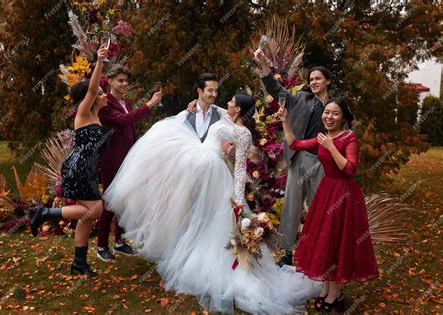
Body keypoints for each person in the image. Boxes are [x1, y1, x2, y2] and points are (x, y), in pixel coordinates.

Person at [103, 92, 319, 313]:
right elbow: (210, 106)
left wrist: (237, 201)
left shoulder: (243, 133)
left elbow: (240, 168)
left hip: (214, 175)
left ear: (238, 109)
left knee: (215, 221)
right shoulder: (225, 116)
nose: (227, 102)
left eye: (232, 102)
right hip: (197, 163)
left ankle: (221, 269)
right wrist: (194, 103)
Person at [278, 99, 379, 312]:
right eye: (326, 112)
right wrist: (285, 122)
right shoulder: (324, 137)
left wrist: (331, 147)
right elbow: (295, 144)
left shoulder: (349, 138)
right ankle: (326, 286)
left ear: (343, 118)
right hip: (327, 191)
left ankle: (336, 292)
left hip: (343, 193)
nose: (329, 117)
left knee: (335, 239)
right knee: (323, 238)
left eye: (335, 113)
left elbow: (349, 169)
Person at [30, 46, 110, 277]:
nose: (104, 96)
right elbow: (93, 89)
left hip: (87, 169)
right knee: (95, 209)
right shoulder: (84, 113)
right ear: (91, 97)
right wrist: (100, 61)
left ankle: (79, 264)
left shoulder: (96, 117)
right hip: (79, 168)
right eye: (101, 94)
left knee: (87, 216)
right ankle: (44, 213)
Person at [254, 49, 330, 266]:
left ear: (328, 81)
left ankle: (317, 250)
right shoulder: (300, 99)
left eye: (318, 78)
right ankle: (287, 252)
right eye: (311, 79)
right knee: (291, 207)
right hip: (300, 158)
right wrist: (263, 64)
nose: (313, 82)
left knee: (319, 207)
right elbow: (274, 88)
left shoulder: (334, 107)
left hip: (323, 162)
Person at [96, 64, 162, 262]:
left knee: (124, 201)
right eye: (120, 80)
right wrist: (149, 105)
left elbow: (129, 126)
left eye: (126, 80)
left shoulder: (123, 101)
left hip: (127, 158)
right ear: (110, 81)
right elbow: (124, 121)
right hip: (112, 160)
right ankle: (101, 246)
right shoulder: (105, 103)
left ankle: (119, 242)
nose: (125, 84)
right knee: (109, 203)